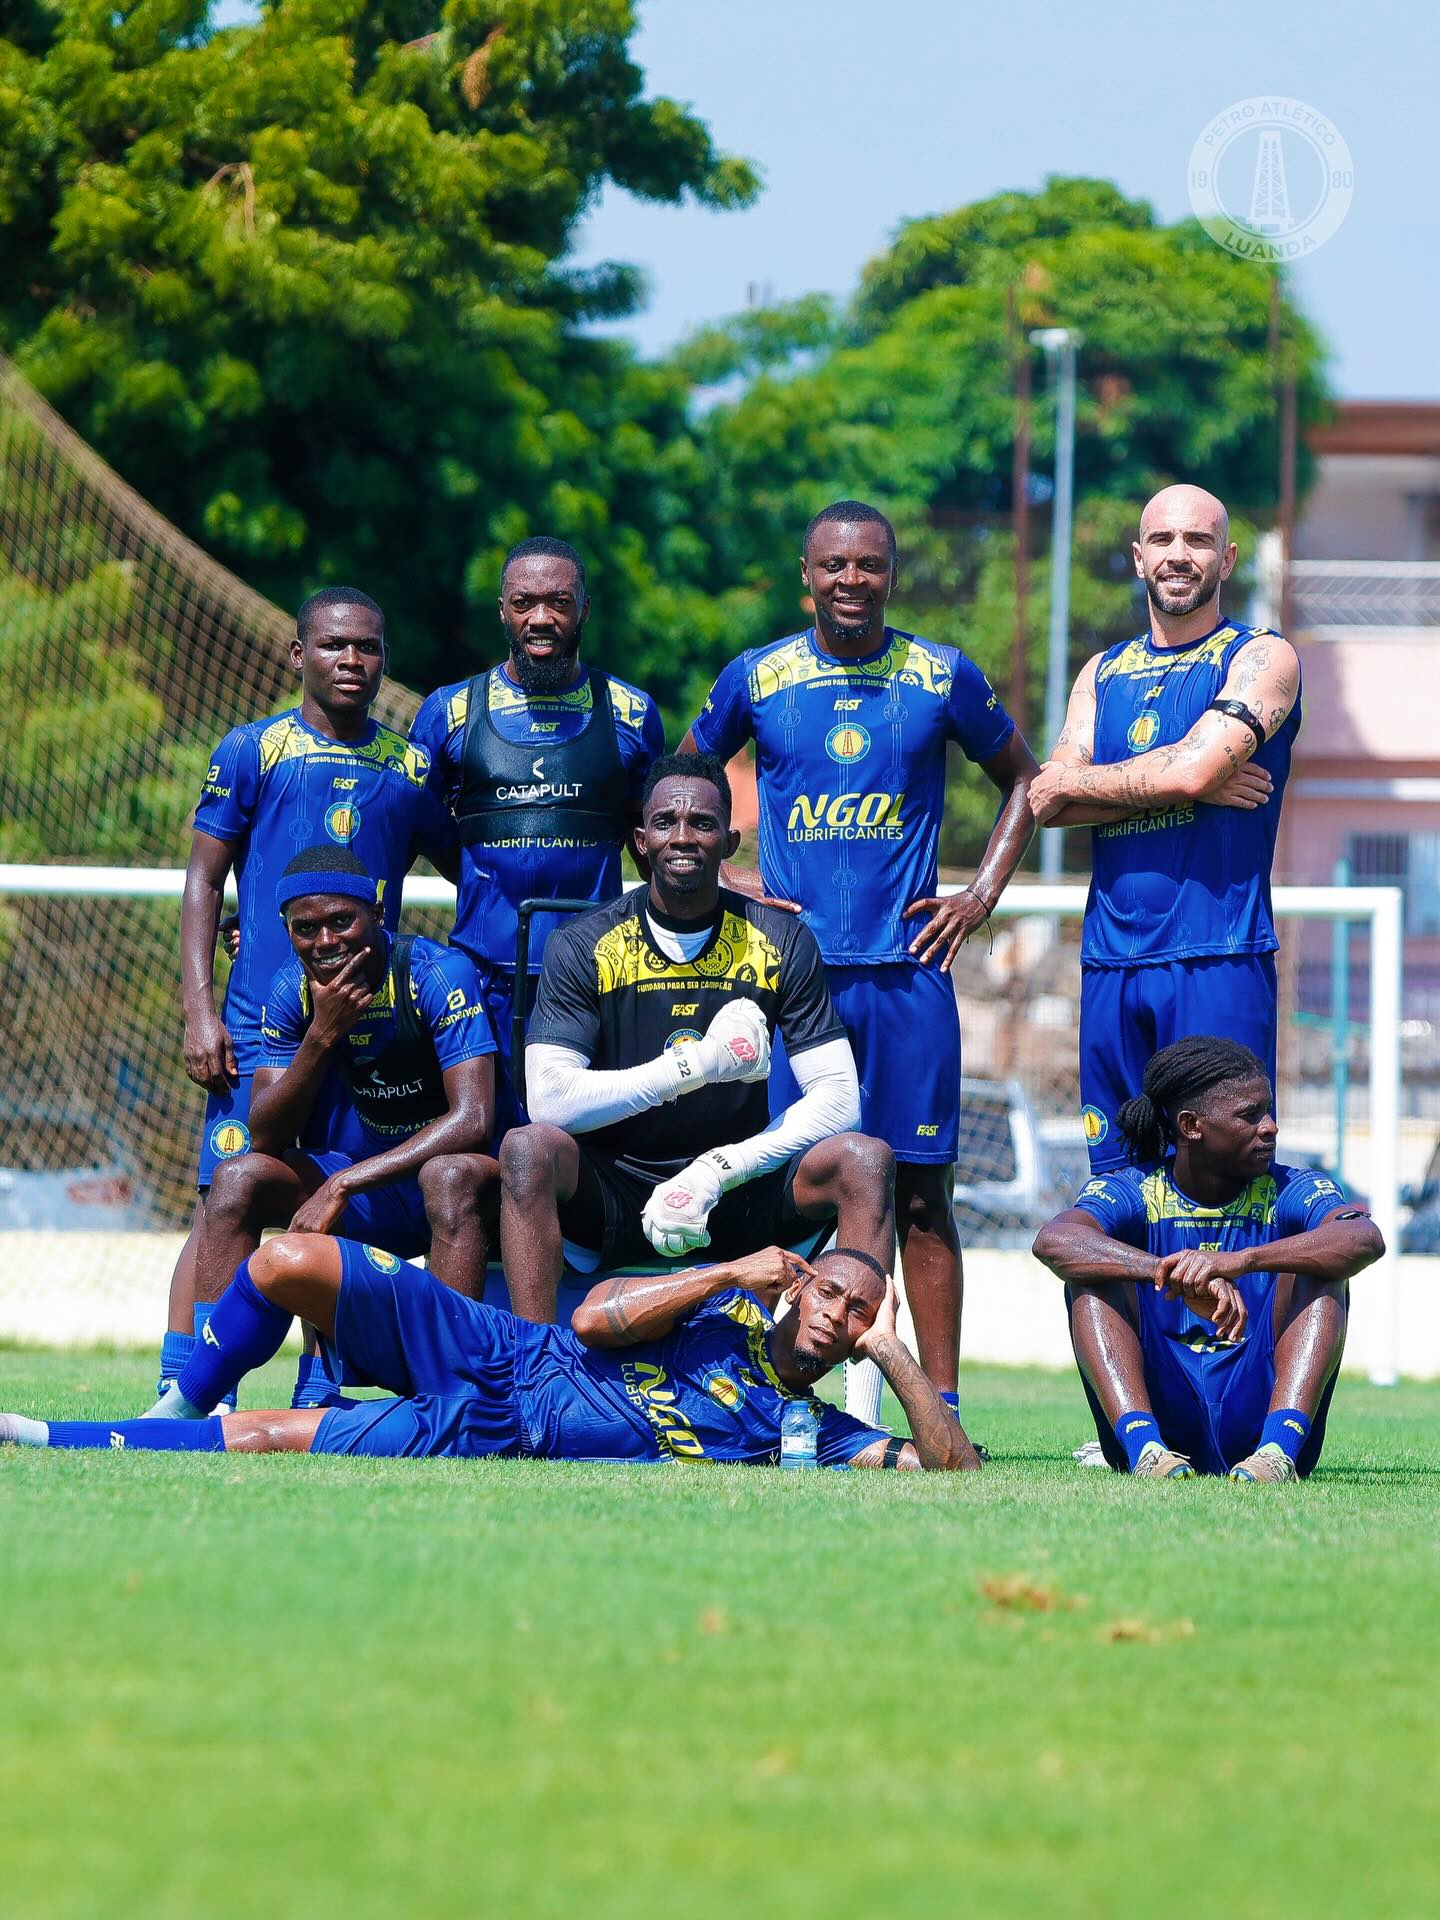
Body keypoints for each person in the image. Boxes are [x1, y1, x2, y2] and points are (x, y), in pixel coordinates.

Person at [683, 500, 1038, 1406]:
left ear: (893, 574)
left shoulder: (941, 674)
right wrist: (728, 879)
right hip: (789, 986)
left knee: (922, 1196)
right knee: (782, 1190)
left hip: (907, 979)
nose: (852, 580)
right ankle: (773, 1401)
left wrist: (979, 895)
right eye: (834, 565)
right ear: (806, 575)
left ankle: (940, 1411)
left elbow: (1026, 783)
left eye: (869, 565)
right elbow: (673, 785)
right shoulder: (758, 676)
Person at [162, 587, 455, 1402]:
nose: (351, 661)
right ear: (299, 654)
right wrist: (200, 1010)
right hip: (259, 1032)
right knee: (224, 1199)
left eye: (367, 647)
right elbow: (204, 879)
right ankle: (186, 1391)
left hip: (361, 1033)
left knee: (328, 1202)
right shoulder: (253, 750)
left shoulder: (409, 767)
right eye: (333, 646)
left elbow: (471, 870)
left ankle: (316, 1390)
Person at [498, 752, 901, 1336]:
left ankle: (859, 1385)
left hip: (739, 1192)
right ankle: (540, 1371)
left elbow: (840, 1099)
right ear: (640, 841)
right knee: (527, 1148)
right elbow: (550, 1102)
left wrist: (716, 1171)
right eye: (665, 822)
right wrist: (697, 1064)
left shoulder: (780, 939)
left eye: (702, 823)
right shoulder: (583, 944)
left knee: (866, 1159)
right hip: (615, 1195)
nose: (683, 837)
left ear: (730, 842)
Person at [1, 1240, 981, 1471]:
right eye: (831, 1293)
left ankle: (43, 1436)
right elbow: (592, 1322)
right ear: (800, 1287)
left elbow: (954, 1468)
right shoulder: (717, 1307)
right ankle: (175, 1404)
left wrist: (892, 1351)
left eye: (859, 1311)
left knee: (264, 1437)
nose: (838, 1315)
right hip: (501, 1345)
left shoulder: (815, 1430)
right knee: (285, 1259)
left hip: (500, 1429)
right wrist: (724, 1268)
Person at [1026, 485, 1301, 1172]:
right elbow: (1048, 801)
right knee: (1118, 1183)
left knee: (1224, 1181)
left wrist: (1180, 774)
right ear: (1138, 557)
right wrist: (1182, 779)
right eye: (1163, 540)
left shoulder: (1261, 657)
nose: (1180, 554)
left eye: (1198, 540)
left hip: (1218, 955)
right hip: (1110, 960)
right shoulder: (1102, 673)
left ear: (1227, 559)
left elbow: (1186, 769)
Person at [179, 847, 497, 1413]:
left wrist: (344, 1183)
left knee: (449, 1176)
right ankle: (208, 1396)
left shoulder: (436, 974)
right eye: (306, 929)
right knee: (236, 1180)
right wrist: (321, 1037)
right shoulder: (291, 992)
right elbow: (265, 1137)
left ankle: (447, 1401)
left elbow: (473, 1118)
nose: (325, 942)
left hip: (450, 1192)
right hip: (367, 1196)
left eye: (341, 921)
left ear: (377, 912)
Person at [1031, 1036, 1383, 1481]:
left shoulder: (1291, 1187)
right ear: (1191, 1126)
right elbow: (1054, 1239)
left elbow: (1364, 1237)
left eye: (1268, 1111)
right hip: (1165, 1411)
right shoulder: (1134, 1189)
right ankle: (1146, 1450)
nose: (1270, 1127)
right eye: (1250, 1115)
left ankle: (1278, 1452)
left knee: (1324, 1262)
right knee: (1090, 1275)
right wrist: (1170, 1271)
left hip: (1258, 1412)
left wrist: (1241, 1260)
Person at [408, 536, 664, 1129]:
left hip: (595, 979)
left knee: (573, 1150)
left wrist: (730, 888)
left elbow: (653, 841)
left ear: (584, 609)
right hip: (479, 980)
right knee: (480, 1148)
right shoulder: (447, 711)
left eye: (559, 602)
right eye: (524, 602)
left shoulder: (631, 712)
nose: (541, 618)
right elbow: (406, 830)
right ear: (502, 609)